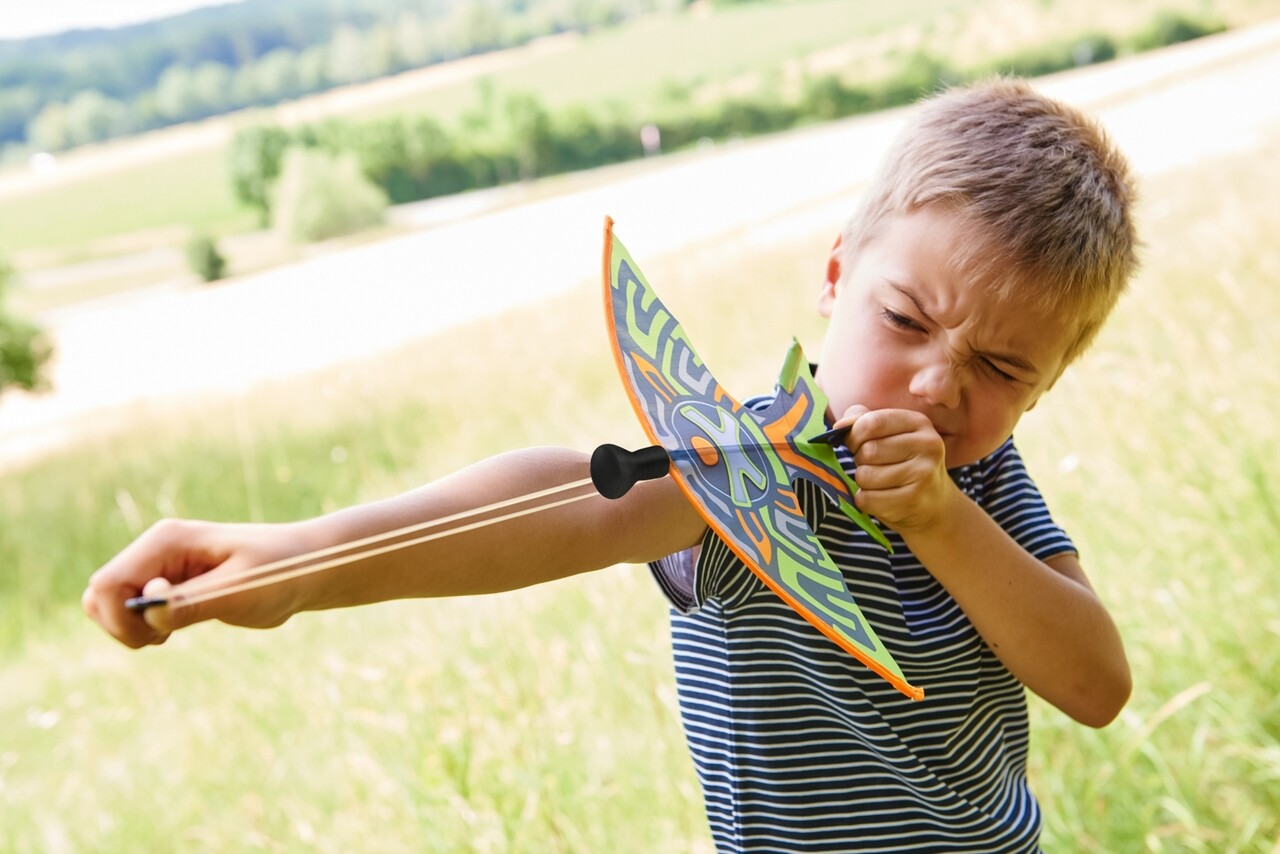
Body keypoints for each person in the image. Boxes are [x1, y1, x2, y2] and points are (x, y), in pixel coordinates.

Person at [83, 77, 1136, 851]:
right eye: (903, 318)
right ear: (835, 275)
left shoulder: (983, 482)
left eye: (1001, 368)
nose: (937, 385)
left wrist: (940, 517)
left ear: (1045, 384)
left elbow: (1093, 684)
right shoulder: (750, 464)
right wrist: (304, 561)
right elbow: (575, 503)